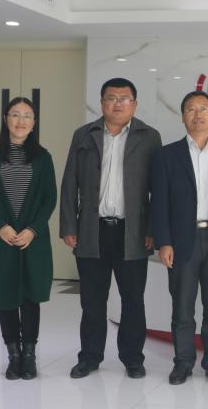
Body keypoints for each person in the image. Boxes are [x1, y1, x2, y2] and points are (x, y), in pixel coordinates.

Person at [60, 78, 162, 379]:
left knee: (133, 301)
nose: (117, 103)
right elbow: (69, 183)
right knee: (92, 301)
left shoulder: (149, 136)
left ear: (134, 104)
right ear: (102, 102)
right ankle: (90, 357)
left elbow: (158, 189)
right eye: (111, 98)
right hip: (92, 230)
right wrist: (69, 225)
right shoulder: (84, 135)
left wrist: (152, 230)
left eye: (124, 98)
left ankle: (133, 358)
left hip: (133, 233)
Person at [151, 91, 208, 386]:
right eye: (191, 109)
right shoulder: (166, 155)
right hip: (182, 241)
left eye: (203, 108)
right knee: (182, 308)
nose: (198, 114)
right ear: (182, 116)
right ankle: (183, 363)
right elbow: (159, 203)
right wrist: (164, 242)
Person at [0, 97, 57, 380]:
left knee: (31, 296)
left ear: (34, 123)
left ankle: (29, 356)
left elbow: (49, 198)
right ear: (5, 119)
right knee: (6, 295)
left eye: (27, 116)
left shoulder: (43, 157)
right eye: (15, 115)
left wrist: (33, 229)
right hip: (0, 239)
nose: (21, 121)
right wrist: (0, 227)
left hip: (32, 239)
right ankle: (13, 356)